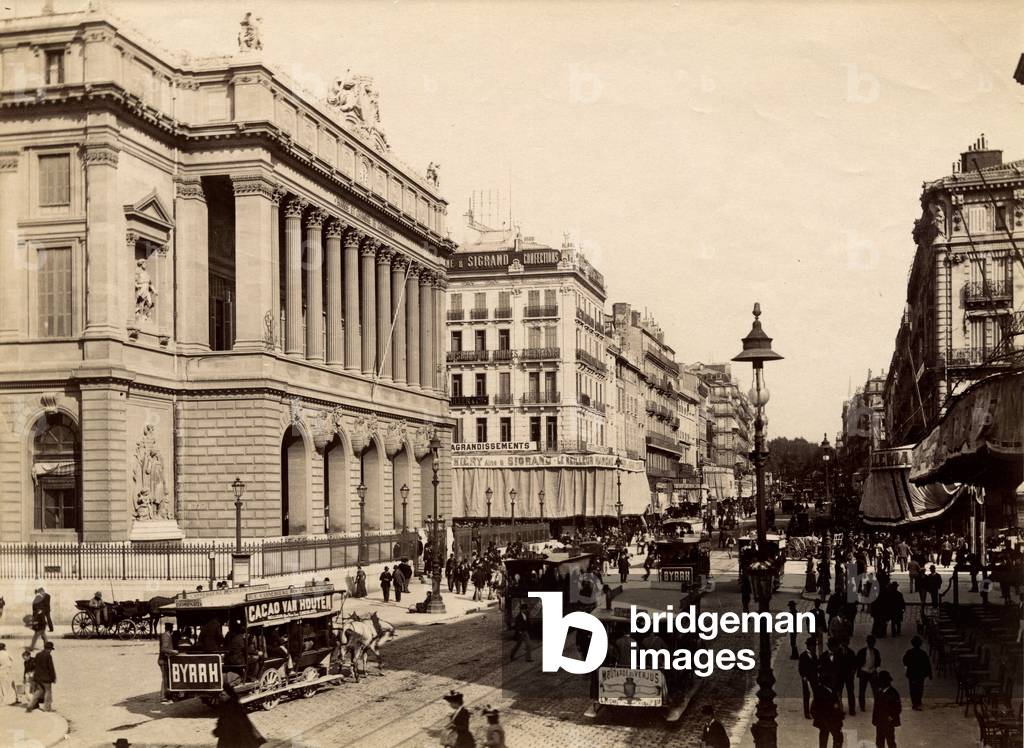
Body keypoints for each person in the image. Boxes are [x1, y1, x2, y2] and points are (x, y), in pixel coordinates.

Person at [213, 682, 266, 747]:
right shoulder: (225, 705)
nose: (220, 696)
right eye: (220, 695)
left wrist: (219, 730)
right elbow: (222, 720)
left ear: (229, 695)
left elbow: (243, 722)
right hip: (228, 736)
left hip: (236, 737)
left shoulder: (234, 707)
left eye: (223, 694)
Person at [872, 670, 901, 748]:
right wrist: (875, 719)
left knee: (890, 741)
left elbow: (897, 708)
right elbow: (876, 707)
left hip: (888, 722)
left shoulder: (893, 693)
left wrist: (891, 717)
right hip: (880, 721)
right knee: (879, 741)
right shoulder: (879, 691)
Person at [811, 681, 844, 748]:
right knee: (838, 737)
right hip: (830, 719)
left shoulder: (820, 690)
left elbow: (813, 709)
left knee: (824, 736)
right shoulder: (829, 692)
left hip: (824, 720)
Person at [901, 636, 931, 710]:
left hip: (912, 673)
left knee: (912, 688)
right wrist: (929, 673)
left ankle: (914, 702)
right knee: (920, 688)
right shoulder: (923, 653)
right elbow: (927, 664)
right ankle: (918, 700)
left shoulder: (909, 652)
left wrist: (907, 666)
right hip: (920, 674)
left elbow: (905, 660)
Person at [25, 641, 55, 712]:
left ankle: (30, 706)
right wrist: (53, 677)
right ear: (49, 649)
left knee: (38, 691)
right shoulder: (48, 655)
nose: (51, 651)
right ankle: (47, 708)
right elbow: (51, 668)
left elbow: (35, 665)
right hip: (46, 678)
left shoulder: (38, 654)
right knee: (48, 692)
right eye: (50, 649)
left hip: (37, 677)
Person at [857, 634, 882, 713]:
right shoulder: (862, 652)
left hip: (872, 672)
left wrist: (876, 668)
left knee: (876, 690)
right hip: (864, 672)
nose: (872, 644)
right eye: (870, 643)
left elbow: (878, 661)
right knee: (862, 691)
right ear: (867, 643)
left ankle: (877, 705)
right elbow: (857, 662)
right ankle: (862, 706)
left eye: (873, 643)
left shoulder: (876, 652)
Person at [798, 637, 818, 720]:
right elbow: (800, 668)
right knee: (806, 695)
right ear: (809, 646)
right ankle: (806, 712)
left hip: (814, 677)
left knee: (816, 694)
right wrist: (804, 677)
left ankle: (813, 710)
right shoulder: (803, 656)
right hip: (806, 679)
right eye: (813, 646)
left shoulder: (814, 655)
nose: (814, 648)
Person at [159, 622, 179, 704]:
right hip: (163, 660)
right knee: (165, 679)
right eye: (172, 627)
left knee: (166, 678)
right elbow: (163, 649)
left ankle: (166, 695)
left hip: (164, 660)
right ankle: (163, 697)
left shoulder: (166, 635)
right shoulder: (166, 636)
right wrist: (173, 651)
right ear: (170, 628)